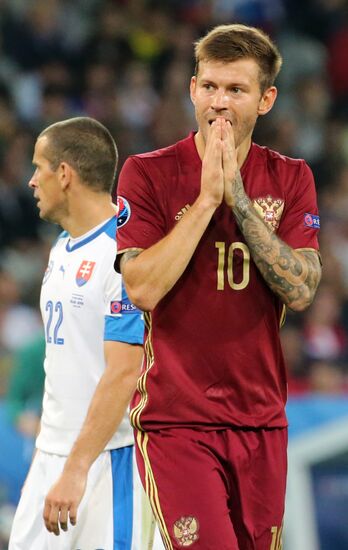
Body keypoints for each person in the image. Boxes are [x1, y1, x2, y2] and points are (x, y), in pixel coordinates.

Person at [115, 24, 322, 550]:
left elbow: (301, 291)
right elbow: (140, 288)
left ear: (266, 99)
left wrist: (239, 201)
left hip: (262, 421)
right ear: (191, 89)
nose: (219, 102)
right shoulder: (147, 174)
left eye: (236, 89)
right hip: (176, 421)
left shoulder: (291, 178)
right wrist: (206, 202)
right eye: (209, 87)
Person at [9, 117, 158, 549]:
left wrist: (75, 469)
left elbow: (123, 372)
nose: (32, 180)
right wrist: (49, 455)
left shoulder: (125, 255)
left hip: (105, 465)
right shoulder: (61, 247)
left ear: (65, 174)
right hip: (52, 455)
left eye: (39, 168)